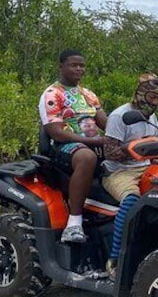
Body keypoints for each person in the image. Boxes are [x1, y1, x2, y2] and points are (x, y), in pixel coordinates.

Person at [102, 73, 158, 275]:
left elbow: (156, 141)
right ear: (141, 93)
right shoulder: (119, 116)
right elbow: (109, 152)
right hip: (120, 172)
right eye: (152, 97)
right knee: (131, 200)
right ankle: (115, 259)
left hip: (147, 168)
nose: (155, 102)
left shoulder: (151, 116)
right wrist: (134, 148)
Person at [39, 49, 107, 243]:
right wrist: (93, 142)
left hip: (94, 143)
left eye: (82, 65)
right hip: (63, 147)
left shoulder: (88, 95)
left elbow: (106, 122)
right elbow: (56, 131)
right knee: (87, 157)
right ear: (61, 67)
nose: (79, 69)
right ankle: (74, 223)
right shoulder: (53, 94)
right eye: (73, 65)